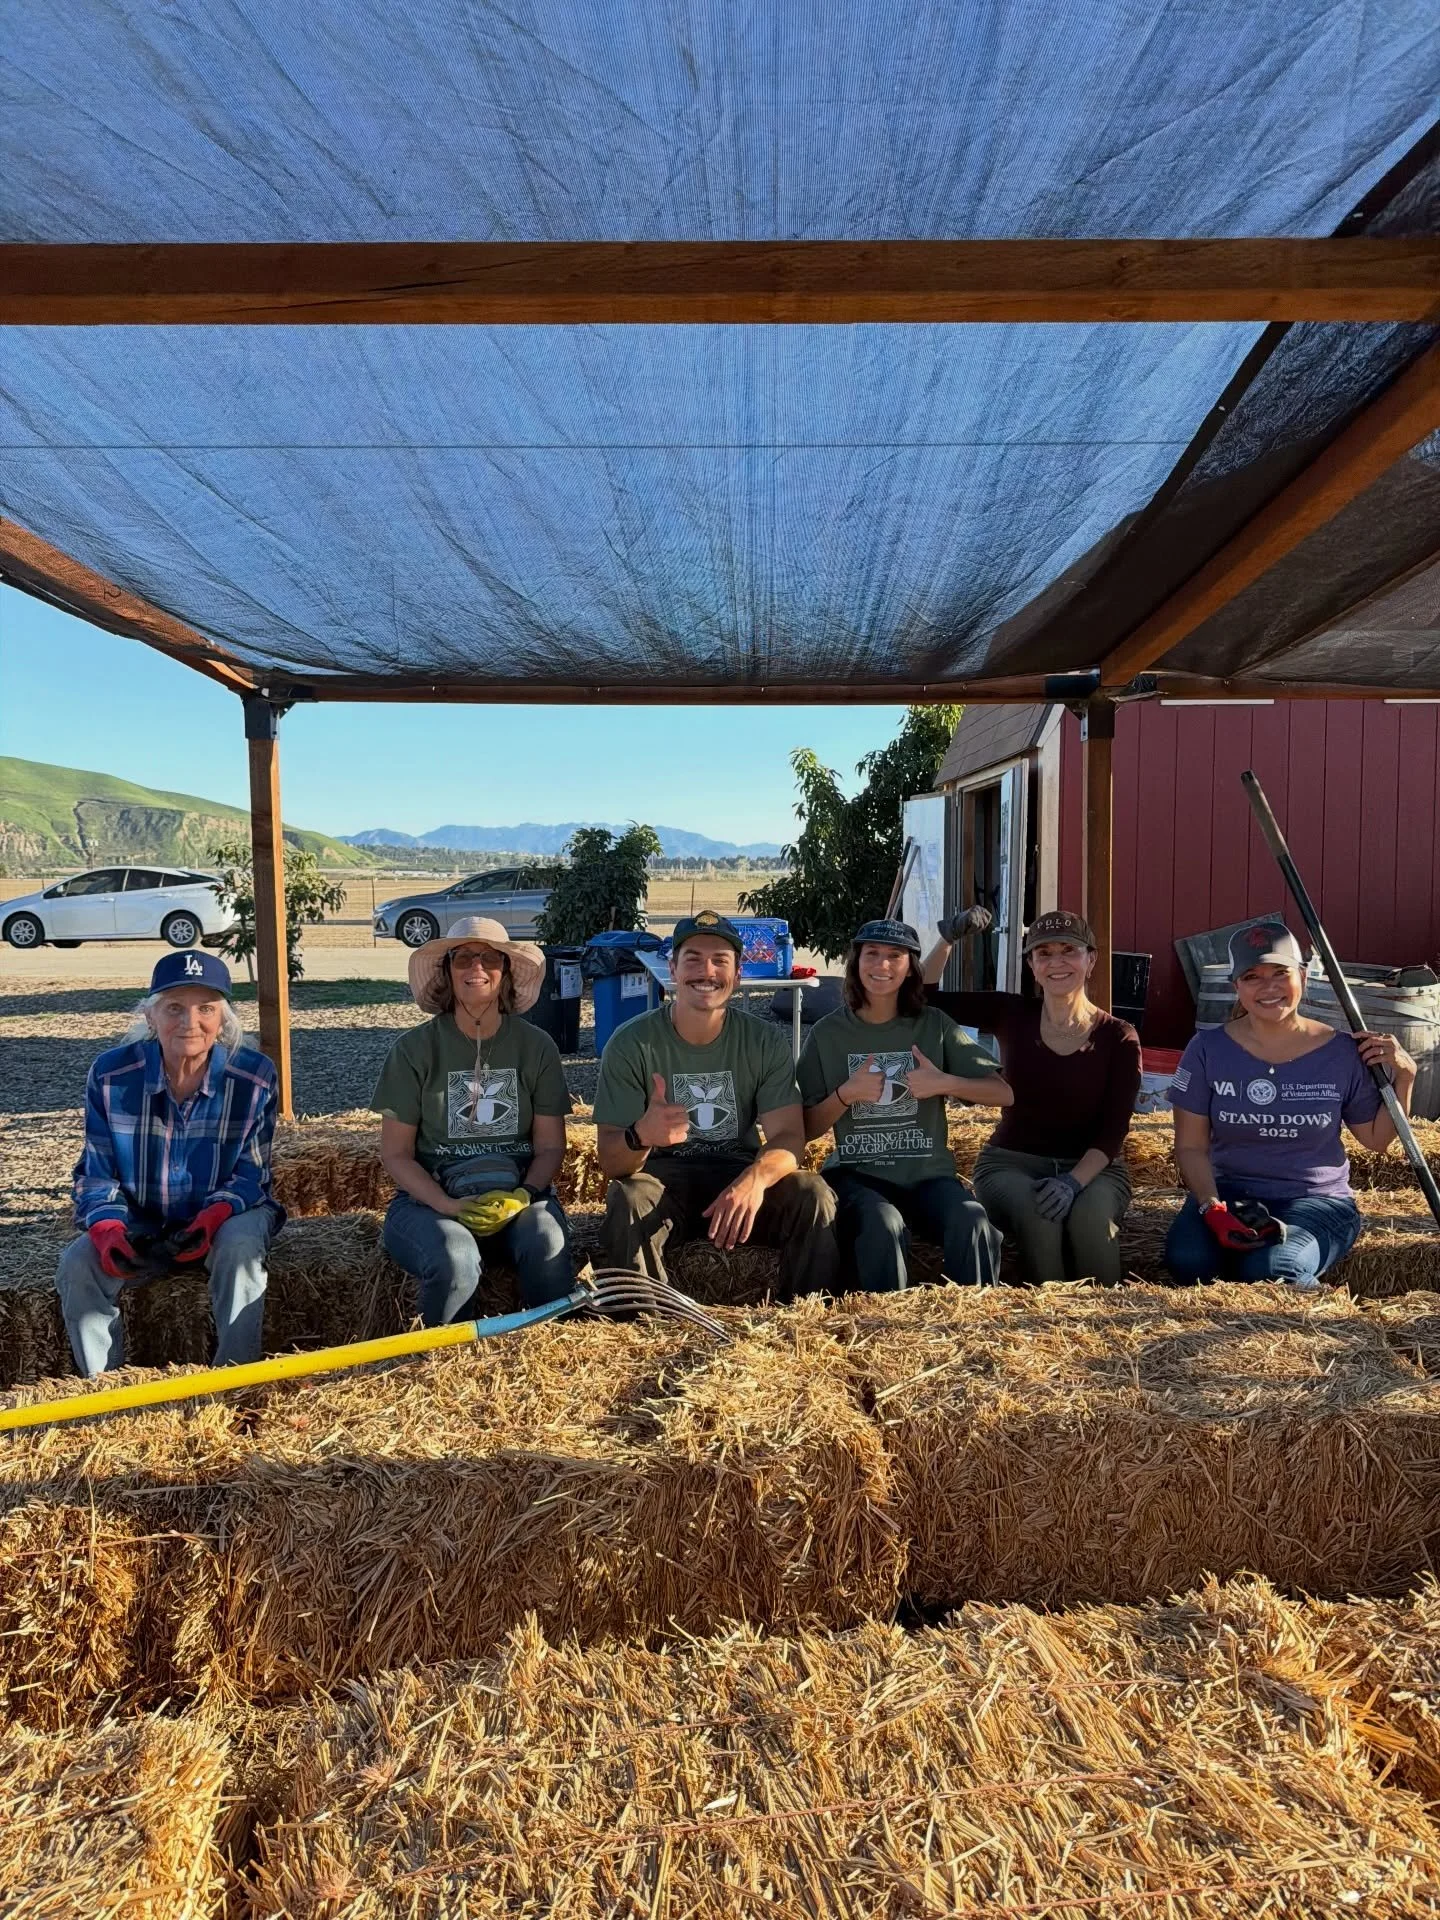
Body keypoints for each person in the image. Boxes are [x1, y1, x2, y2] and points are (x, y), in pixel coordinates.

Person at [57, 950, 284, 1376]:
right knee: (77, 1264)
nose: (190, 1021)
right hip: (140, 1218)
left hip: (225, 1215)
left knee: (240, 1250)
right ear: (150, 1017)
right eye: (174, 1008)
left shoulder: (254, 1077)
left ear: (224, 1020)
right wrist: (107, 1227)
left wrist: (214, 1215)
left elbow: (253, 1174)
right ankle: (105, 1389)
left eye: (206, 1009)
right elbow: (97, 1170)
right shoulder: (109, 1075)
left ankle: (236, 1381)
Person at [595, 910, 838, 1295]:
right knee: (628, 1198)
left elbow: (789, 1137)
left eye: (720, 961)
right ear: (672, 968)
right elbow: (610, 1162)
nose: (706, 972)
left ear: (737, 974)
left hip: (737, 1171)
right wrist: (640, 1135)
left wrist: (755, 1180)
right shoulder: (629, 1044)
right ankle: (646, 1325)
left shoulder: (763, 1041)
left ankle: (804, 1325)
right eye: (692, 958)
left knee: (813, 1194)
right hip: (663, 1182)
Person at [1163, 920, 1415, 1293]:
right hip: (1231, 1194)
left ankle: (1323, 1308)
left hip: (1315, 1201)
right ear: (1237, 986)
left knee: (1274, 1270)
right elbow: (1190, 1146)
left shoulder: (1343, 1051)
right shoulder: (1206, 1050)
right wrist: (1210, 1207)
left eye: (1280, 973)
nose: (1269, 988)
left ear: (1302, 975)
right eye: (1252, 976)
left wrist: (1406, 1076)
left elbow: (1378, 1140)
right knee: (1189, 1264)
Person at [922, 909, 1142, 1285]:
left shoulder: (1118, 1037)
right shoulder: (1012, 1012)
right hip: (1010, 1163)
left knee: (1090, 1220)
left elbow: (1113, 1130)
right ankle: (1049, 1322)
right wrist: (947, 939)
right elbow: (923, 997)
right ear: (1032, 965)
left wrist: (1072, 1183)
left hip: (1095, 1168)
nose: (1057, 962)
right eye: (1044, 953)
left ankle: (1104, 1323)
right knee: (1041, 1212)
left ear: (1090, 960)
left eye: (1068, 951)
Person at [372, 916, 574, 1323]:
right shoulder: (414, 1049)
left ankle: (548, 1353)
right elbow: (395, 1154)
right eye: (463, 958)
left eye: (489, 959)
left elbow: (551, 1145)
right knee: (456, 1258)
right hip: (428, 1202)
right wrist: (446, 1204)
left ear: (507, 971)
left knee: (547, 1240)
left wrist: (524, 1194)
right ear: (447, 971)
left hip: (517, 1196)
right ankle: (441, 1367)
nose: (476, 968)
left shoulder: (536, 1047)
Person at [798, 918, 1011, 1291]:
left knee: (974, 1222)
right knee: (883, 1225)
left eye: (895, 956)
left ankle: (976, 1326)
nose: (882, 965)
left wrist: (944, 1082)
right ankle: (886, 1332)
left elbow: (1003, 1093)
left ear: (911, 966)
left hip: (928, 1176)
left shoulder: (934, 1026)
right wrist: (846, 1095)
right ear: (855, 962)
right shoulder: (827, 1033)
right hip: (858, 1176)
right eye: (872, 954)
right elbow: (807, 1128)